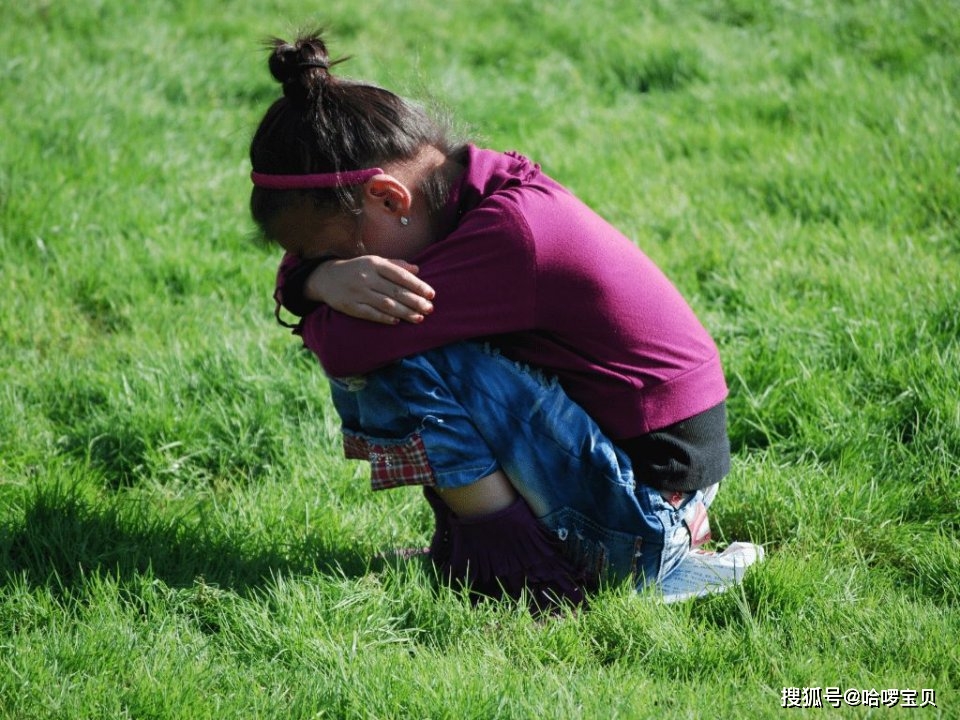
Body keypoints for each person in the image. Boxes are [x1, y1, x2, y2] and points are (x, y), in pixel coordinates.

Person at [249, 32, 763, 611]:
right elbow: (318, 295)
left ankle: (519, 568)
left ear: (390, 200)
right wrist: (314, 280)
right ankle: (492, 546)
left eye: (339, 253)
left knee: (393, 352)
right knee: (396, 328)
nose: (345, 271)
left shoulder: (511, 237)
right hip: (649, 488)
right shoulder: (464, 189)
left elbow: (346, 349)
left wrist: (310, 291)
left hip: (644, 515)